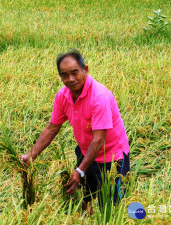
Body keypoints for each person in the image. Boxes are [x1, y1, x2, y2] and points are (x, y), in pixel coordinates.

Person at [21, 49, 130, 212]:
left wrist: (80, 170)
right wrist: (31, 155)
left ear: (85, 70)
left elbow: (99, 140)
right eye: (64, 75)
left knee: (111, 207)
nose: (70, 79)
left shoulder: (99, 97)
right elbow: (52, 128)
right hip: (87, 151)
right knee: (86, 196)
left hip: (112, 157)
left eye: (75, 72)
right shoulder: (63, 96)